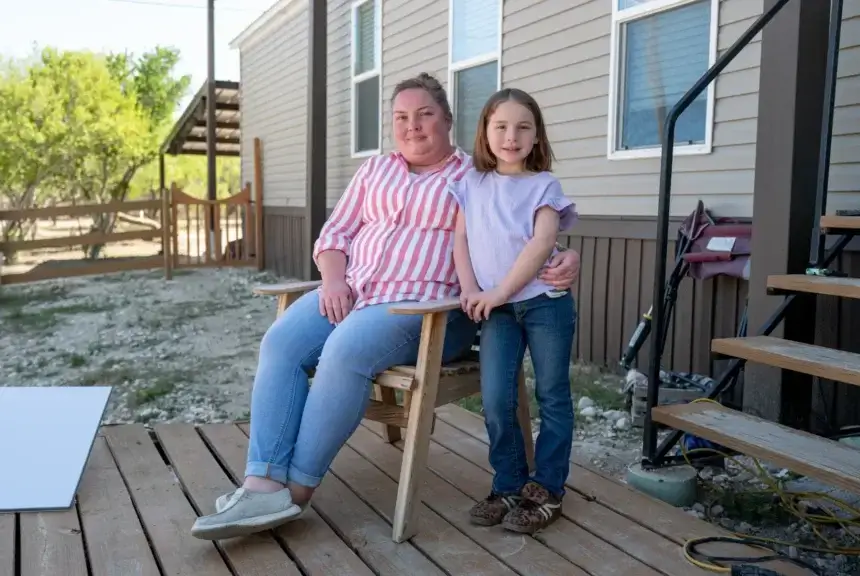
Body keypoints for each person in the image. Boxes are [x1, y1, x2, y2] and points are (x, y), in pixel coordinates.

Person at [190, 73, 581, 541]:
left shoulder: (474, 174)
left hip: (426, 309)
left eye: (425, 115)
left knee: (343, 352)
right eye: (401, 118)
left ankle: (295, 491)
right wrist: (333, 280)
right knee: (281, 343)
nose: (412, 126)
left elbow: (519, 222)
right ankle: (261, 482)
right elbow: (334, 235)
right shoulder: (376, 170)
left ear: (449, 120)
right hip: (354, 292)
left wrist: (568, 255)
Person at [449, 88, 577, 535]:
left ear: (537, 134)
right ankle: (508, 484)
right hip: (496, 311)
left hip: (545, 305)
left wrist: (498, 291)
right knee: (496, 401)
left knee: (553, 396)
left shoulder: (544, 185)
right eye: (500, 126)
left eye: (523, 126)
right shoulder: (470, 183)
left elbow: (542, 243)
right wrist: (469, 289)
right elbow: (460, 240)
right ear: (485, 131)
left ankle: (547, 488)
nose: (511, 135)